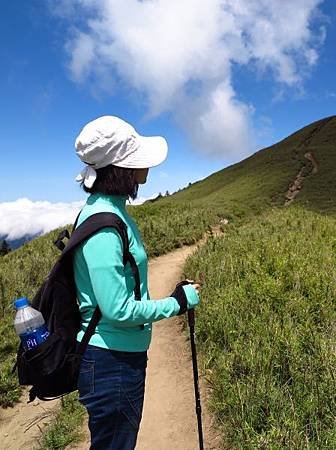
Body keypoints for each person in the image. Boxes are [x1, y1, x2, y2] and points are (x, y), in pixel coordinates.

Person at [72, 115, 202, 449]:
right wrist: (178, 302)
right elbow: (116, 308)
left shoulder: (109, 210)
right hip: (111, 362)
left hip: (116, 358)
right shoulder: (104, 225)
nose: (144, 167)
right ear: (121, 168)